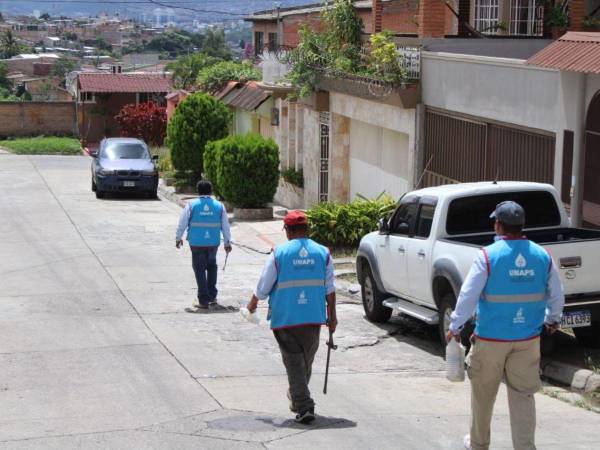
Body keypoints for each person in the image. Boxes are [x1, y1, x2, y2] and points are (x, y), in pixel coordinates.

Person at [446, 200, 564, 450]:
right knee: (523, 397)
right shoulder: (542, 256)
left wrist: (454, 326)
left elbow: (468, 296)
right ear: (522, 226)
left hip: (490, 340)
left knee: (483, 396)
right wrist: (553, 319)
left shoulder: (487, 256)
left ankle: (478, 444)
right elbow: (556, 294)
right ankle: (524, 446)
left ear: (498, 225)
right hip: (527, 341)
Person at [246, 210, 337, 424]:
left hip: (285, 317)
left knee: (296, 363)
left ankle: (304, 406)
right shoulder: (323, 253)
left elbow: (264, 284)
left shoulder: (279, 253)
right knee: (303, 361)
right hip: (313, 317)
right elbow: (330, 288)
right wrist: (332, 317)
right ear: (307, 229)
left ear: (288, 230)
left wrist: (252, 304)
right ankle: (299, 398)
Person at [176, 180, 232, 310]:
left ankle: (203, 300)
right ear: (211, 191)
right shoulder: (219, 206)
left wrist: (178, 238)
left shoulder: (191, 205)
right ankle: (212, 296)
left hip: (196, 243)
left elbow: (182, 222)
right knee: (212, 266)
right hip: (213, 242)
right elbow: (225, 226)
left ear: (198, 191)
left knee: (199, 268)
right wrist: (227, 242)